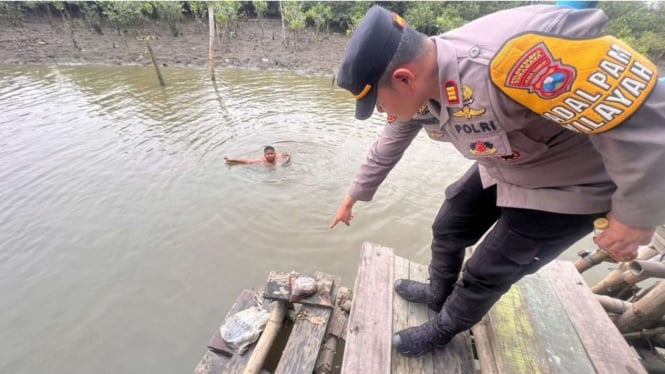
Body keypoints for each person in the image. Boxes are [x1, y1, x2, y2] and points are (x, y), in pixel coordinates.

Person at [330, 4, 665, 357]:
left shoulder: (516, 58)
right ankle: (437, 292)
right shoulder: (421, 83)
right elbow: (387, 146)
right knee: (449, 225)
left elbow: (646, 121)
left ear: (403, 79)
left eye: (378, 104)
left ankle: (444, 329)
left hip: (571, 187)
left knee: (488, 268)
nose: (382, 113)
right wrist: (353, 196)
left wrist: (635, 215)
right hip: (507, 163)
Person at [224, 145, 290, 165]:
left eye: (271, 153)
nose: (270, 155)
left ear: (275, 154)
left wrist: (288, 157)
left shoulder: (278, 157)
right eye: (268, 154)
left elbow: (287, 156)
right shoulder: (260, 160)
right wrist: (230, 159)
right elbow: (246, 161)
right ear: (264, 155)